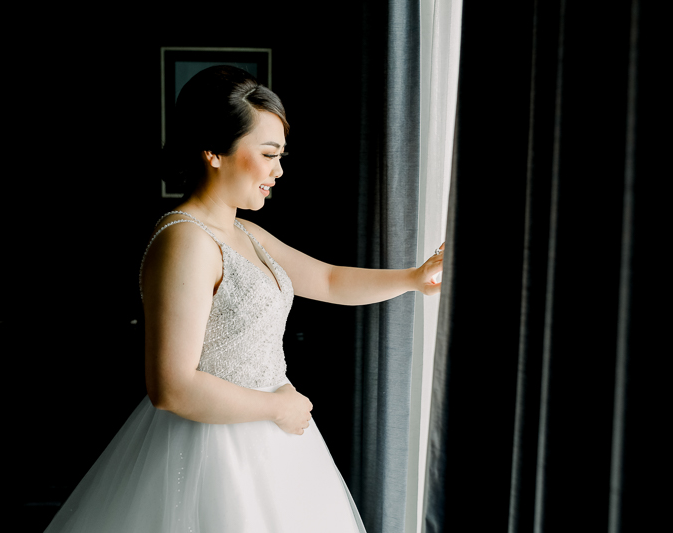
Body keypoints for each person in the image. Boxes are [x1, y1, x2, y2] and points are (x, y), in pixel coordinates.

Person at [44, 65, 444, 533]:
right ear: (214, 151)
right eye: (269, 154)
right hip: (212, 453)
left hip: (274, 443)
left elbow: (330, 280)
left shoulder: (245, 232)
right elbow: (171, 387)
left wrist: (414, 278)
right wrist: (277, 407)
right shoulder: (185, 241)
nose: (279, 170)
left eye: (281, 155)